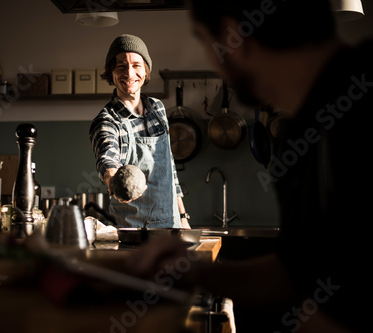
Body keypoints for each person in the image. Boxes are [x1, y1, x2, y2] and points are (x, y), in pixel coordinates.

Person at [131, 1, 371, 332]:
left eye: (204, 41)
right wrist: (200, 273)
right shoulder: (297, 135)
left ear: (233, 37)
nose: (210, 59)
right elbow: (294, 275)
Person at [89, 34, 191, 229]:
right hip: (133, 231)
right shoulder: (107, 121)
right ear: (111, 72)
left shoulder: (158, 108)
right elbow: (107, 159)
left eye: (136, 65)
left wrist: (183, 216)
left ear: (145, 69)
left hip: (172, 224)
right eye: (121, 66)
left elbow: (170, 168)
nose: (129, 73)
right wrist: (112, 179)